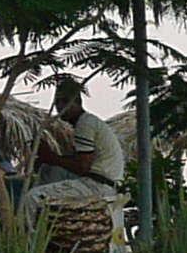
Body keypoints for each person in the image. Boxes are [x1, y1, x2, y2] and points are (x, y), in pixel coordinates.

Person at [26, 76, 127, 205]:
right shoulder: (86, 122)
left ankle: (29, 224)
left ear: (78, 102)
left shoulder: (85, 124)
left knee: (33, 197)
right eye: (58, 102)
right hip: (98, 182)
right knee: (49, 170)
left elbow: (83, 167)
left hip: (99, 185)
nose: (61, 106)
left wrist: (51, 157)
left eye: (65, 101)